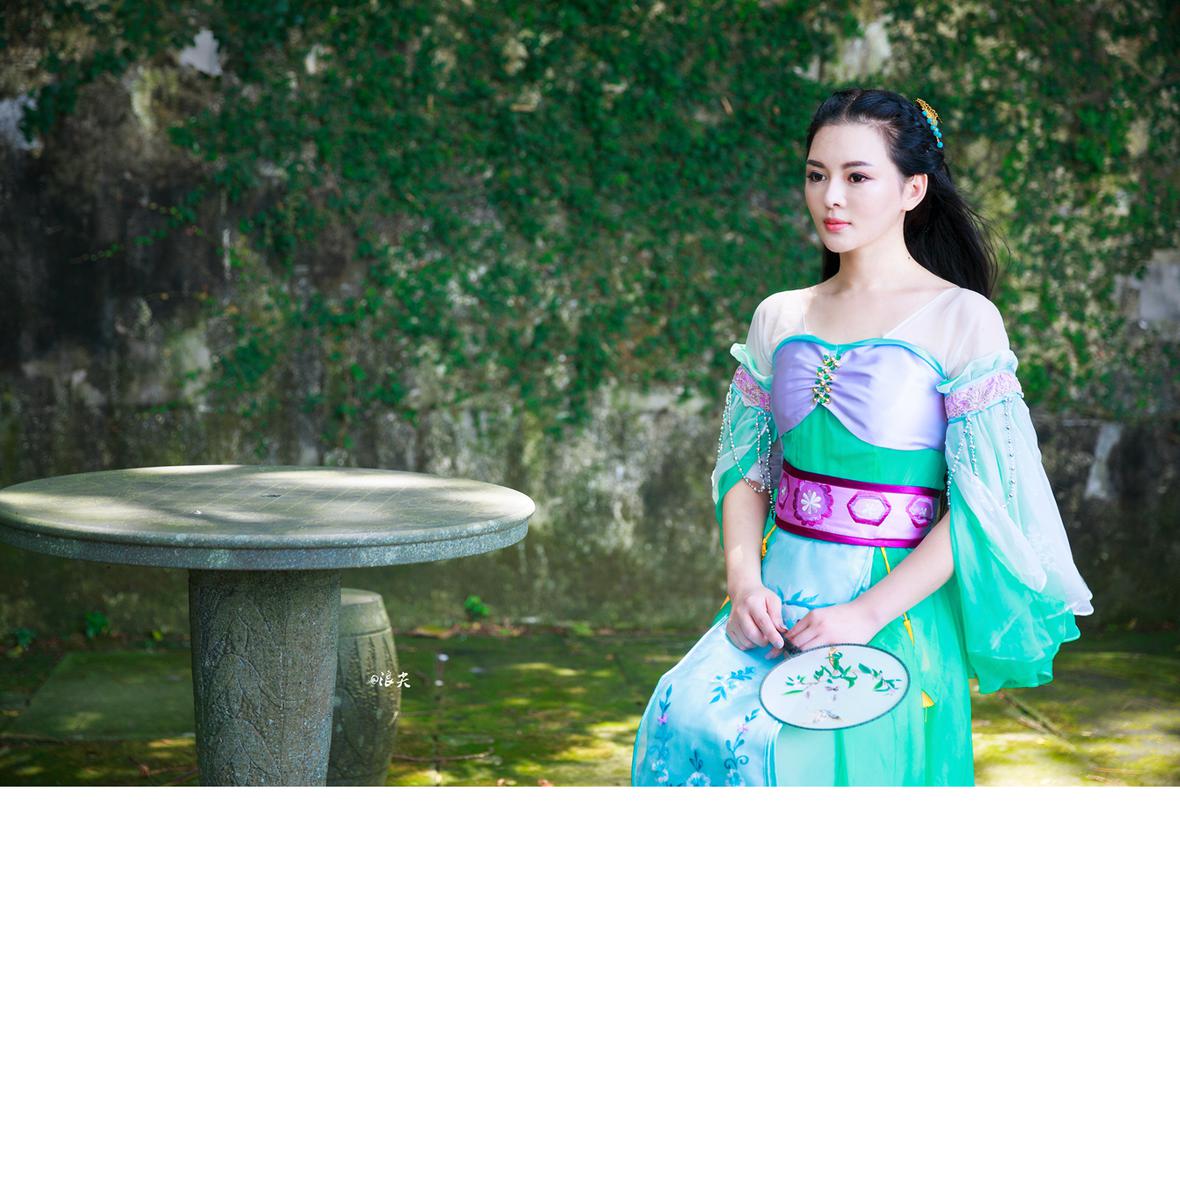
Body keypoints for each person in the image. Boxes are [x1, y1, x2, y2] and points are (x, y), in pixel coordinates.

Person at [630, 88, 1093, 787]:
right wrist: (743, 580)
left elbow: (985, 504)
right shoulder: (779, 316)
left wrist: (865, 614)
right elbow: (745, 469)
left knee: (835, 764)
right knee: (687, 719)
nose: (831, 197)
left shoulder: (962, 319)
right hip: (777, 597)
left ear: (913, 189)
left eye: (857, 176)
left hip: (892, 606)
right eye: (817, 175)